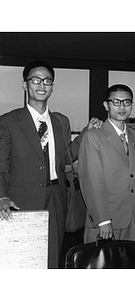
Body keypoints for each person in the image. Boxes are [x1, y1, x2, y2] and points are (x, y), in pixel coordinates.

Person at [0, 60, 101, 268]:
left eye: (47, 81)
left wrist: (85, 134)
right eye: (35, 80)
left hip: (56, 197)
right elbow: (2, 163)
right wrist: (2, 196)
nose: (41, 85)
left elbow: (65, 158)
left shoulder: (60, 121)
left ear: (52, 87)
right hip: (21, 200)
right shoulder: (8, 122)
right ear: (25, 85)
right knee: (24, 258)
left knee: (52, 257)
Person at [78, 84, 135, 243]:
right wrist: (102, 220)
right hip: (106, 221)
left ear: (132, 106)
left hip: (133, 219)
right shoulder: (93, 137)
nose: (122, 107)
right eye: (116, 102)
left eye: (127, 102)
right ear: (106, 105)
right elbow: (91, 181)